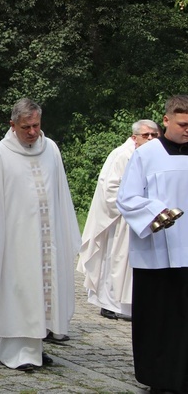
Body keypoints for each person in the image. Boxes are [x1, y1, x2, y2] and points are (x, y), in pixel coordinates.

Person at [0, 98, 80, 372]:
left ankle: (35, 348)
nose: (32, 132)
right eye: (25, 127)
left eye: (36, 126)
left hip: (46, 241)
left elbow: (61, 194)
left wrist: (65, 232)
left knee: (41, 292)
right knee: (16, 292)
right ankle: (13, 351)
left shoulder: (51, 149)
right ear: (12, 125)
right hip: (13, 241)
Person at [116, 95, 188, 393]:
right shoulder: (147, 154)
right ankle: (156, 376)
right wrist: (156, 213)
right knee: (157, 318)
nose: (187, 130)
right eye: (183, 124)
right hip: (157, 250)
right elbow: (127, 198)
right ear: (167, 119)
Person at [77, 119, 160, 321]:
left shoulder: (152, 155)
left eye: (154, 135)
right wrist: (133, 206)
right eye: (146, 135)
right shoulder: (123, 155)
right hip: (119, 218)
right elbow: (111, 188)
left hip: (140, 216)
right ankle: (108, 303)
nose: (150, 138)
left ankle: (128, 305)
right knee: (114, 260)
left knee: (130, 263)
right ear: (134, 137)